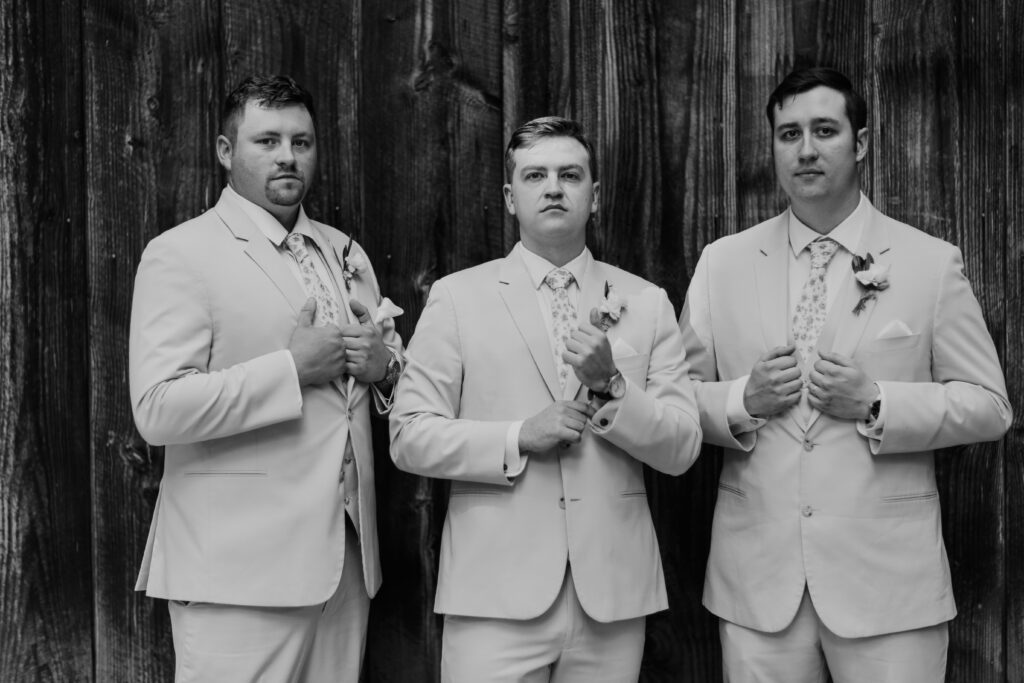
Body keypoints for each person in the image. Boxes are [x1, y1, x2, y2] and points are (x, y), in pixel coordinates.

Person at [679, 67, 1012, 682]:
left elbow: (990, 406)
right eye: (788, 134)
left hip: (889, 585)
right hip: (758, 586)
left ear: (860, 142)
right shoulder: (721, 263)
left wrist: (878, 402)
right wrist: (740, 402)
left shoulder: (929, 264)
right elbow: (671, 405)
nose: (805, 149)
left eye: (824, 130)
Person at [389, 116, 703, 682]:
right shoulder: (457, 298)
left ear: (595, 195)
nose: (554, 187)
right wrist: (517, 437)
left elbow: (681, 448)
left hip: (611, 598)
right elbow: (409, 435)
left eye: (570, 174)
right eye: (535, 175)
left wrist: (614, 388)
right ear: (511, 198)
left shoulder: (647, 301)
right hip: (494, 598)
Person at [129, 75, 404, 682]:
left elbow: (369, 386)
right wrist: (291, 370)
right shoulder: (181, 253)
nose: (288, 156)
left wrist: (385, 370)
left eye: (301, 141)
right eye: (268, 140)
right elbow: (157, 408)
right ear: (226, 152)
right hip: (236, 571)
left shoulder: (344, 253)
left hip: (346, 563)